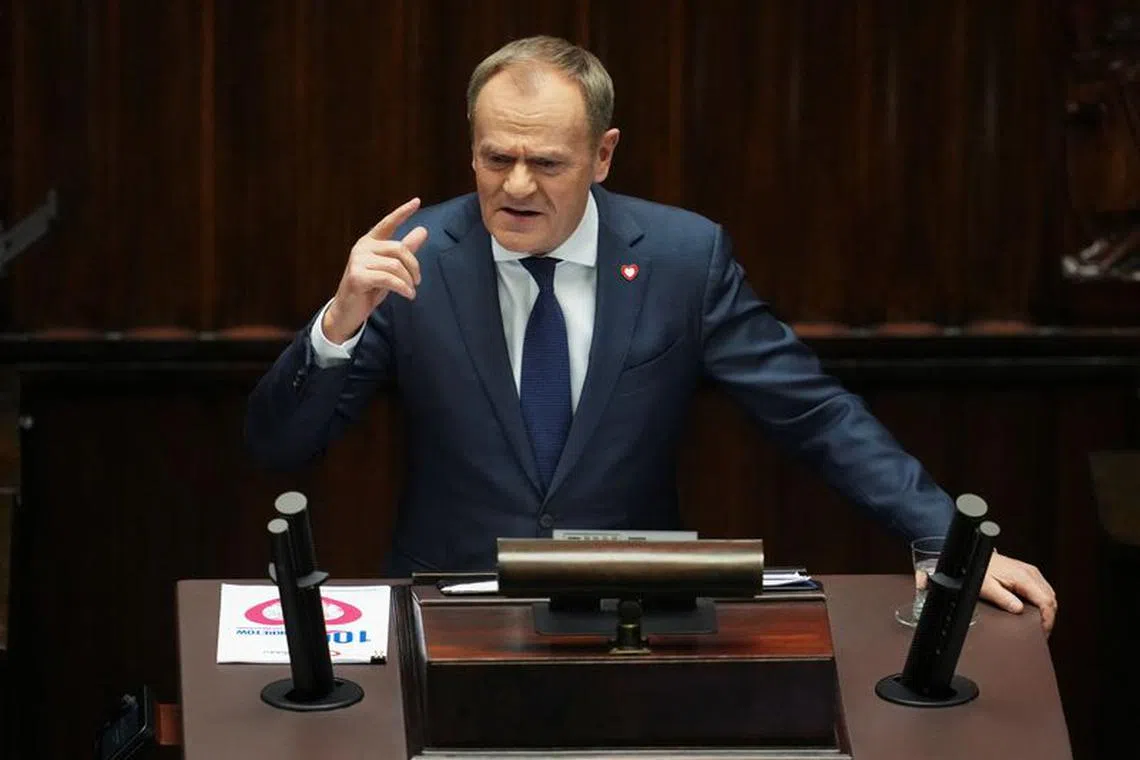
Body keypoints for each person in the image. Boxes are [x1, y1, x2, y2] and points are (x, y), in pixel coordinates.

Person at [245, 35, 1057, 632]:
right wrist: (338, 322)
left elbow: (813, 412)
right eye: (495, 158)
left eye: (548, 163)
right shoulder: (415, 264)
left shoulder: (680, 258)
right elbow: (279, 446)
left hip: (634, 618)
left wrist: (943, 541)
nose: (516, 185)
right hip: (449, 615)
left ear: (602, 155)